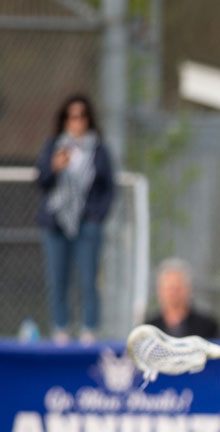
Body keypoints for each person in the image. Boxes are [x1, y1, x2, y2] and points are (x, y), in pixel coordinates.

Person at [34, 94, 115, 345]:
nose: (77, 121)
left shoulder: (98, 149)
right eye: (72, 116)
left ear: (88, 119)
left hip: (86, 224)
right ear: (65, 120)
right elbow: (41, 181)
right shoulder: (54, 146)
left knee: (89, 279)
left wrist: (95, 216)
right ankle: (61, 329)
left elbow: (108, 188)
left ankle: (90, 330)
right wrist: (54, 166)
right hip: (57, 222)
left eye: (82, 116)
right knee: (58, 280)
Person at [145, 258, 220, 339]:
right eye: (169, 289)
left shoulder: (207, 326)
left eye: (177, 288)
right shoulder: (149, 328)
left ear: (189, 289)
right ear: (159, 290)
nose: (173, 294)